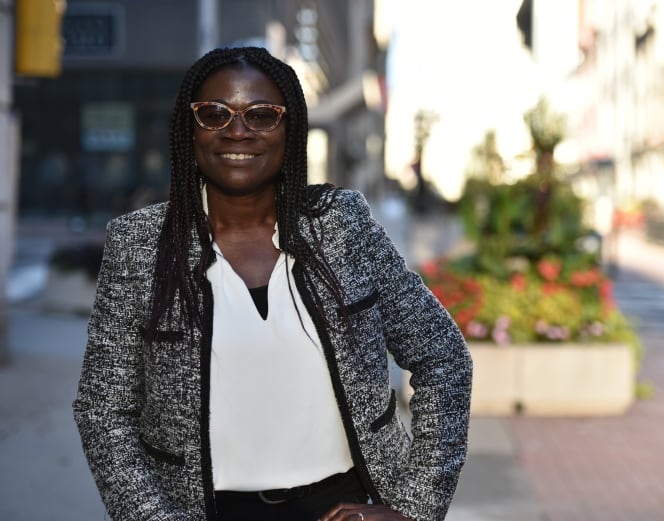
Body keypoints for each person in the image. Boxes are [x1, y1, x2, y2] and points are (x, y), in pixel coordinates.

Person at [72, 46, 472, 521]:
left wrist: (413, 508)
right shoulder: (140, 246)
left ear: (290, 129)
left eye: (262, 115)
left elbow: (443, 357)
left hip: (348, 504)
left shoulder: (342, 226)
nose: (237, 130)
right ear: (190, 129)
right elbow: (103, 411)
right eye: (214, 114)